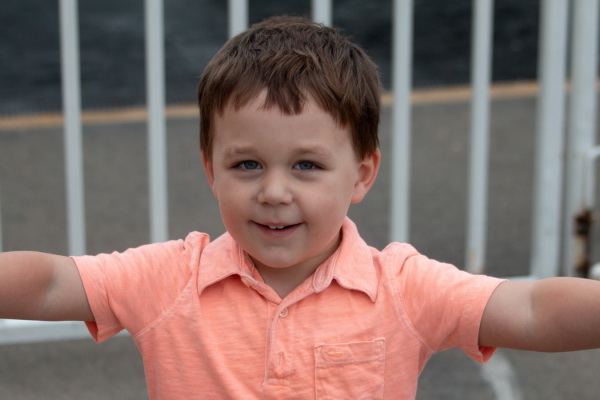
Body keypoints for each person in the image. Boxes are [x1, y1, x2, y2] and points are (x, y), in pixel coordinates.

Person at [1, 15, 600, 400]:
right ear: (210, 169)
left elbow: (529, 308)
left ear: (362, 174)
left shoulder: (403, 288)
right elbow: (52, 281)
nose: (274, 192)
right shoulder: (167, 281)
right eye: (247, 164)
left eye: (306, 165)